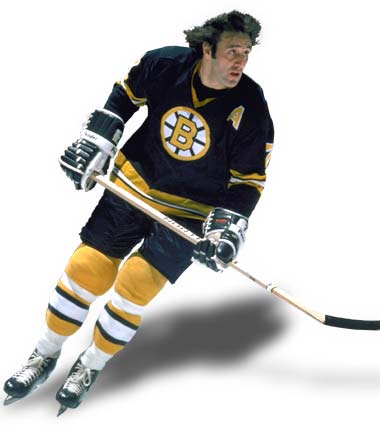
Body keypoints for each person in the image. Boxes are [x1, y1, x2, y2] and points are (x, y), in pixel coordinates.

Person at [3, 10, 274, 415]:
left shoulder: (251, 105)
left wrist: (225, 231)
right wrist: (96, 143)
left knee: (136, 283)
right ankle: (43, 355)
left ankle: (91, 364)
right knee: (87, 269)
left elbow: (248, 181)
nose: (240, 61)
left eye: (246, 53)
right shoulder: (164, 64)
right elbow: (123, 98)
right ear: (207, 49)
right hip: (135, 184)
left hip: (190, 211)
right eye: (232, 51)